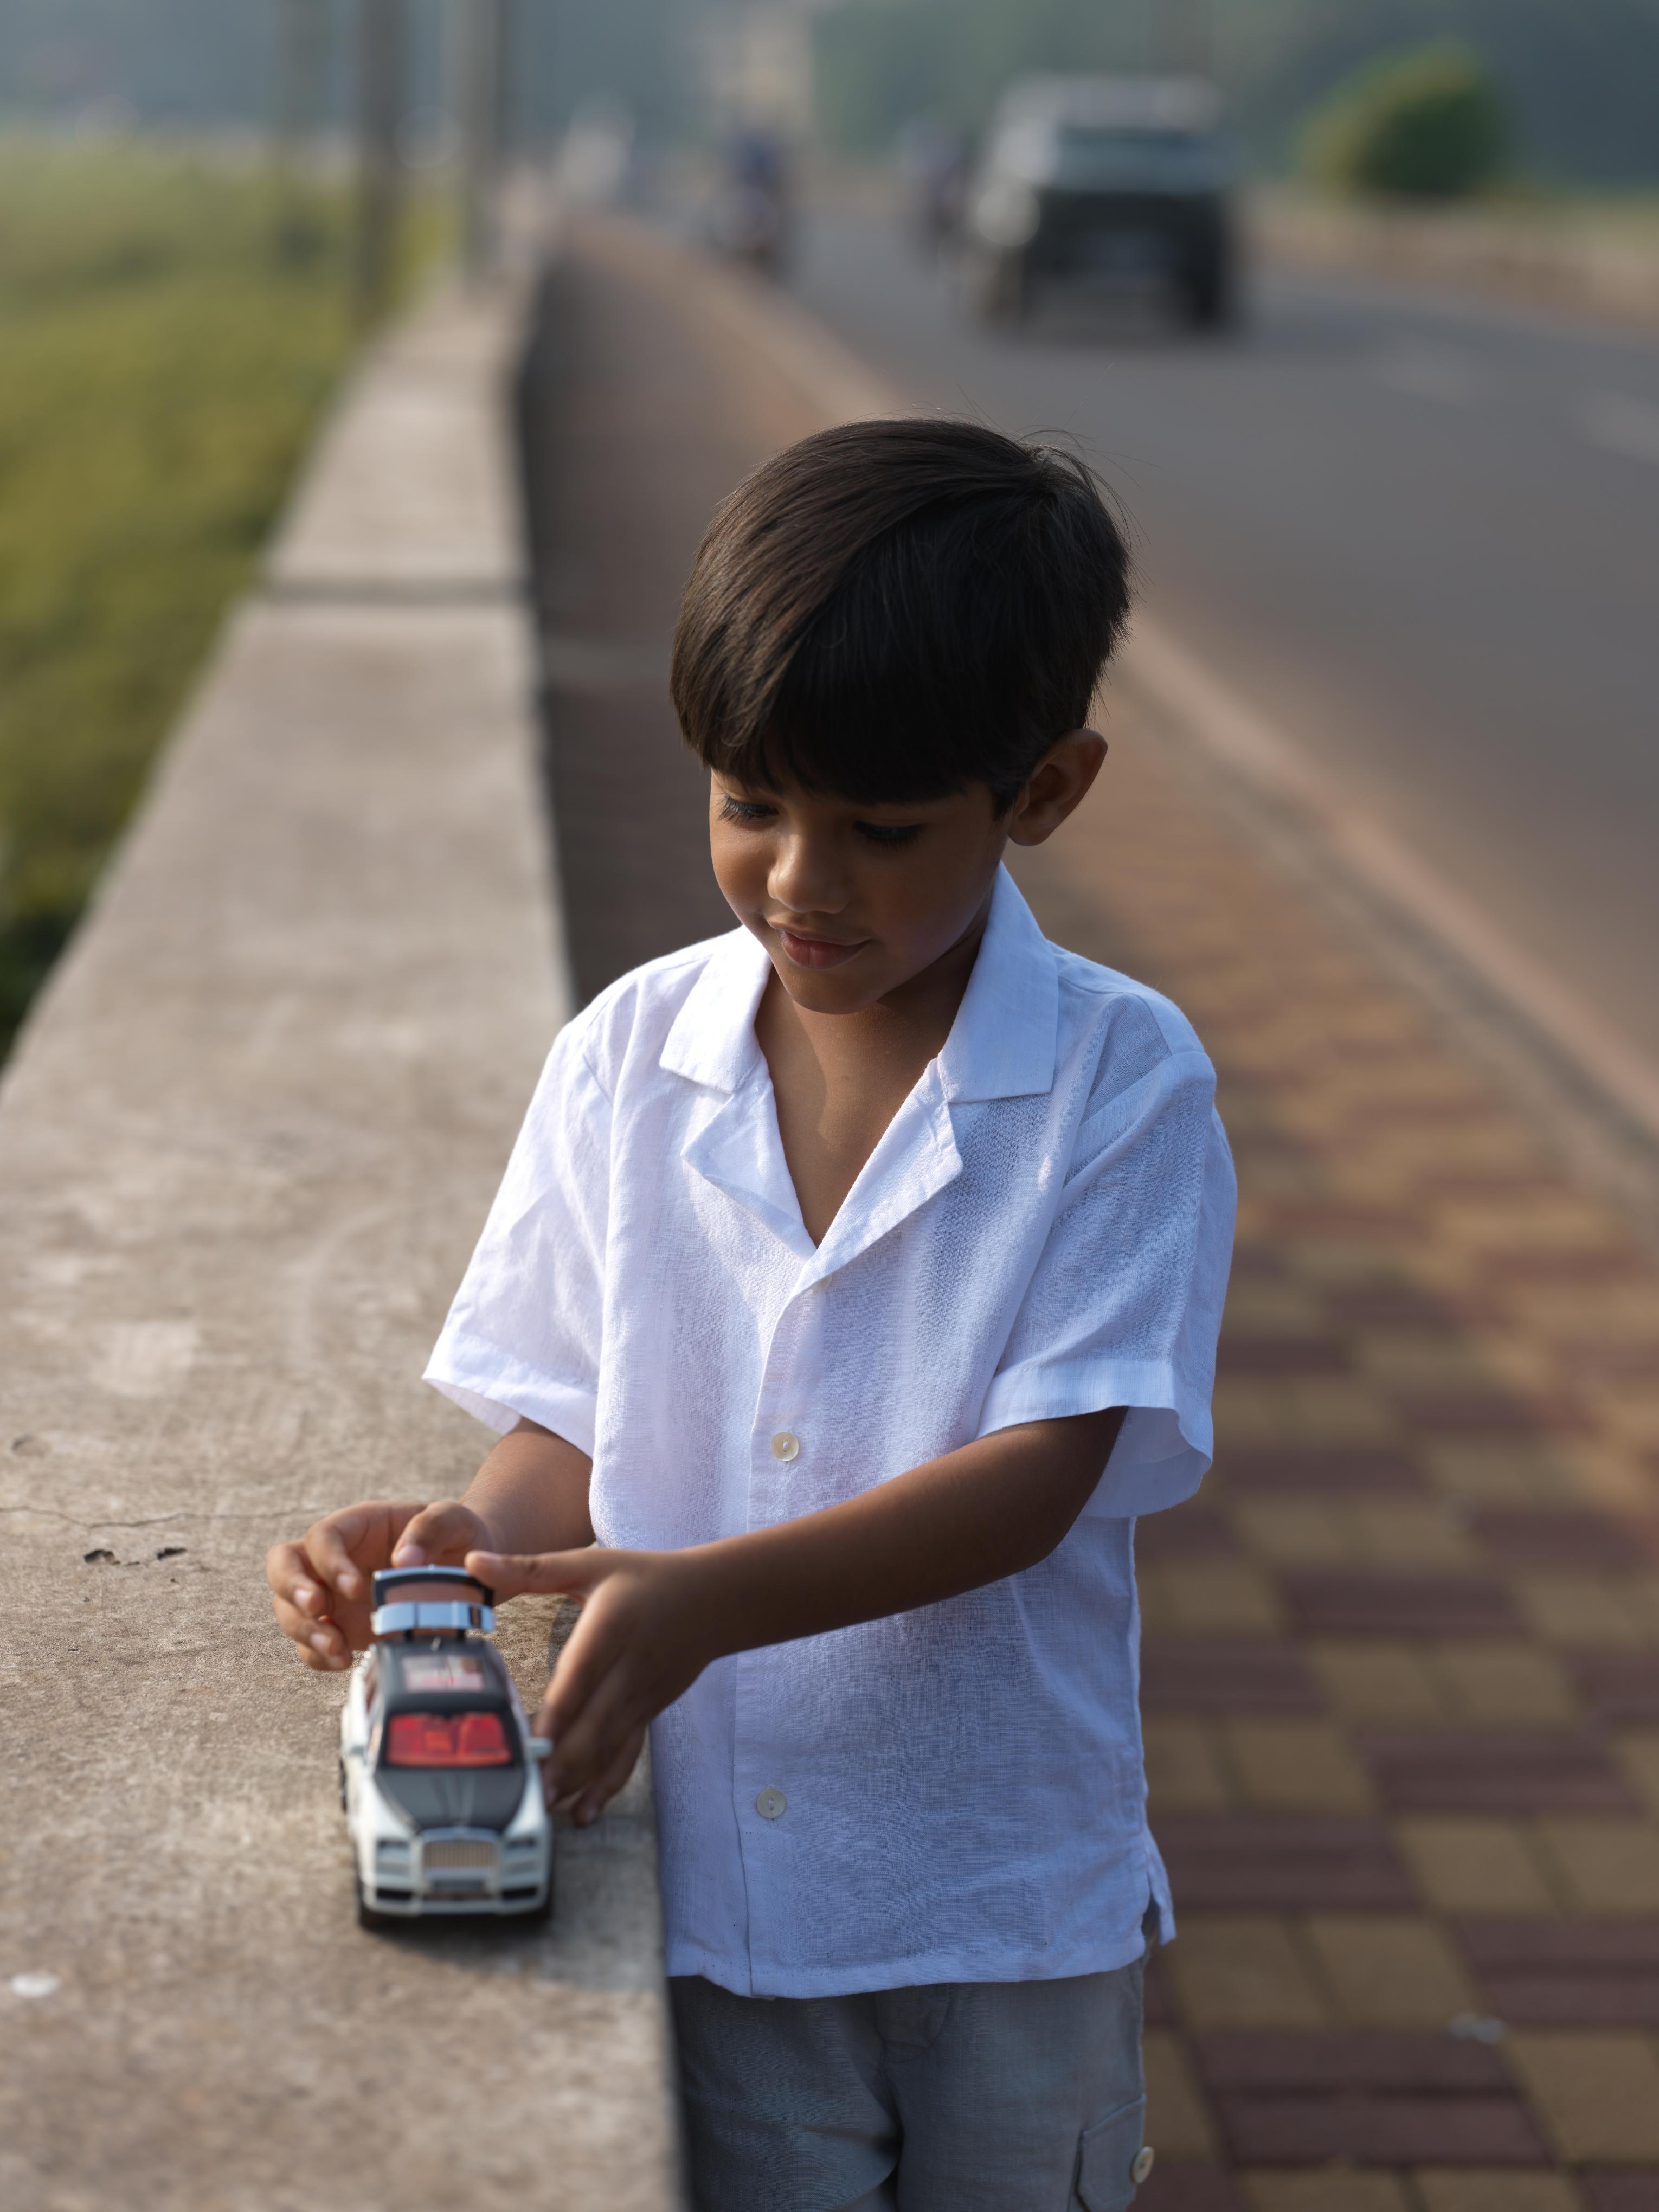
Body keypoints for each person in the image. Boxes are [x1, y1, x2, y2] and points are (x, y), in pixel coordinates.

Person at [266, 418, 1235, 2212]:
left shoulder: (1120, 1080)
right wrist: (465, 1544)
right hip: (723, 1901)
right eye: (747, 803)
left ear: (1044, 789)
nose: (800, 878)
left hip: (996, 1904)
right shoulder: (629, 1053)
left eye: (878, 827)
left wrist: (706, 1597)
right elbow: (568, 1414)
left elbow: (1042, 1469)